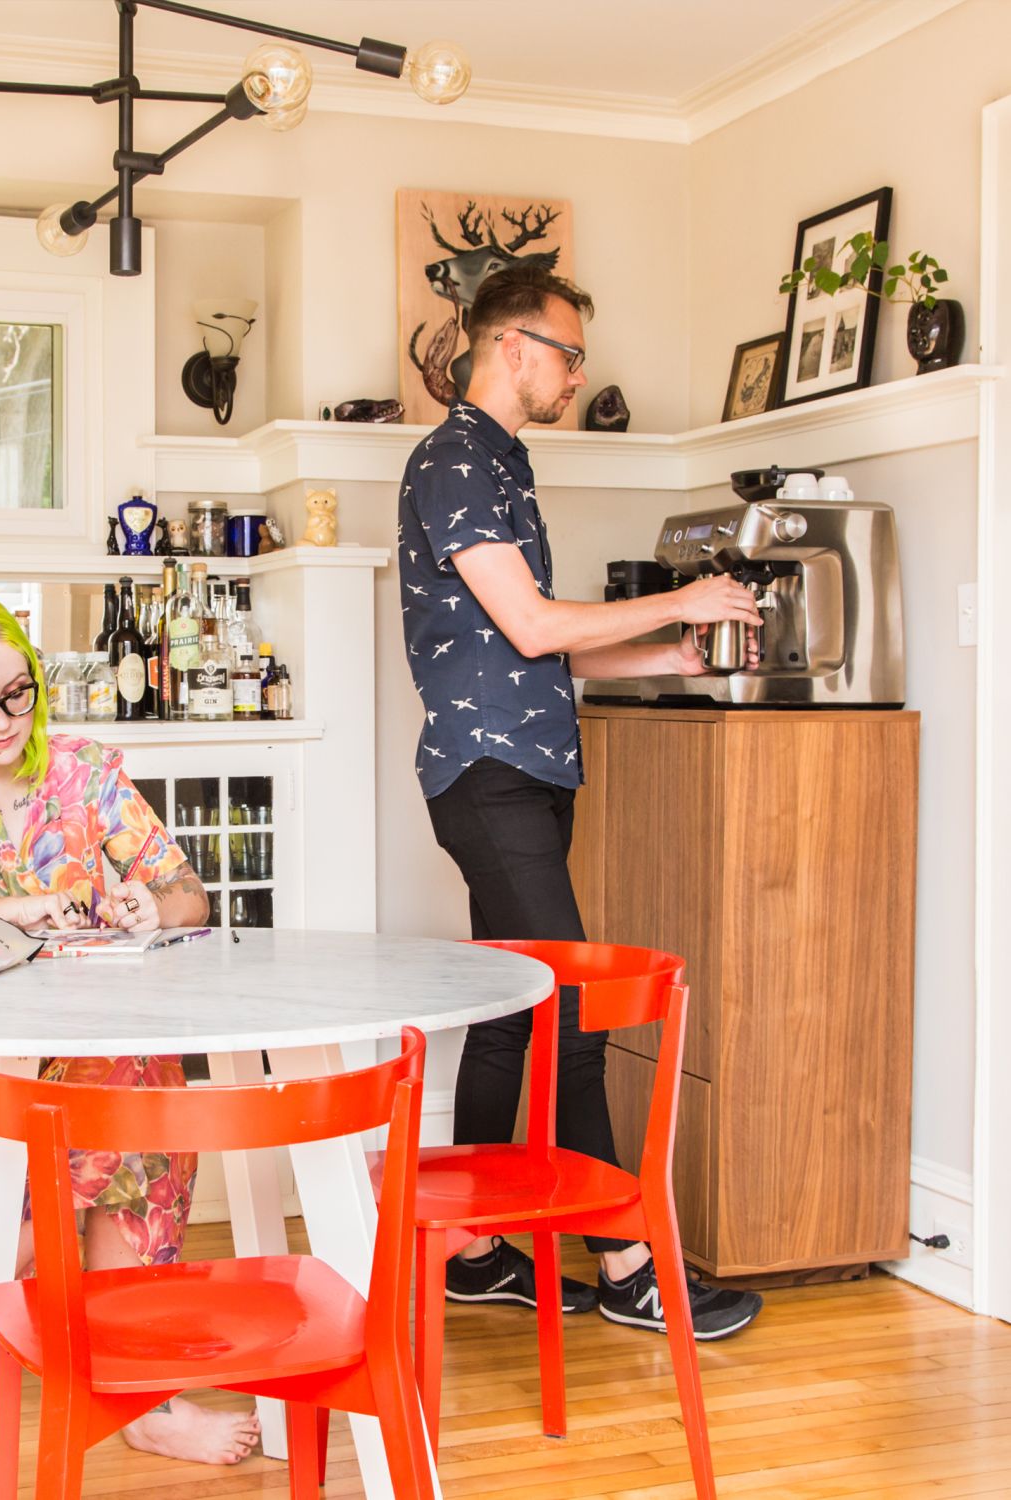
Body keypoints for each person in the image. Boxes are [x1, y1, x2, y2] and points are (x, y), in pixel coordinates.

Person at [398, 266, 765, 1340]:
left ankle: (469, 1256)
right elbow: (534, 626)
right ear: (512, 347)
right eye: (567, 354)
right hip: (489, 776)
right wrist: (683, 595)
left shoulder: (498, 462)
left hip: (523, 771)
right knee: (576, 1013)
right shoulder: (458, 458)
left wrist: (669, 653)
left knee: (517, 1014)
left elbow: (543, 654)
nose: (576, 375)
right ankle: (627, 1266)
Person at [0, 595, 260, 1467]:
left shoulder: (87, 774)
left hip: (91, 1050)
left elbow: (187, 896)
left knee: (148, 1104)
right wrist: (17, 907)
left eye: (18, 695)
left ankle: (138, 1395)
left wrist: (149, 905)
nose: (2, 722)